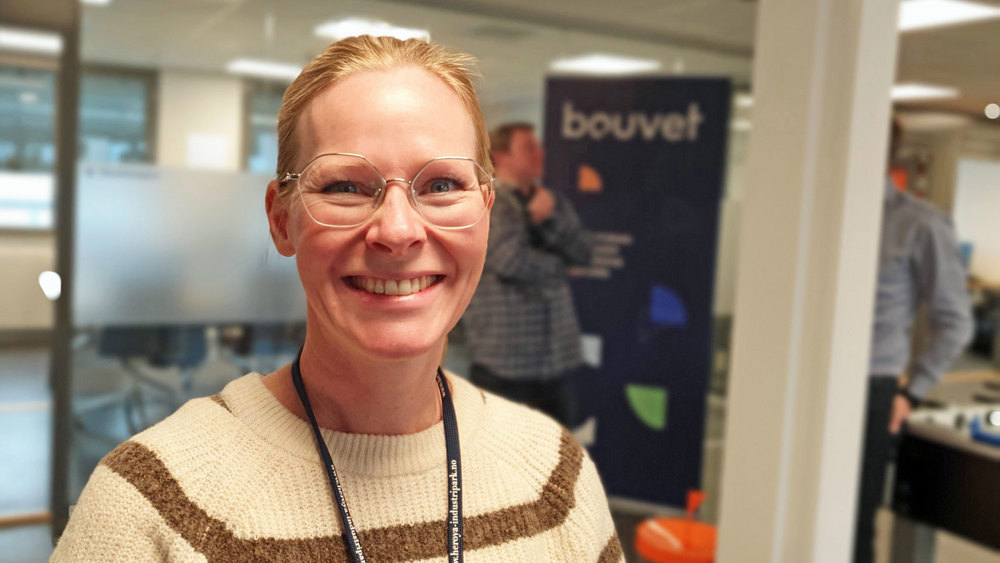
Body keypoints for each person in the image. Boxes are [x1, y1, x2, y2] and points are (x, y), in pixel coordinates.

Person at [52, 36, 623, 562]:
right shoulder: (152, 509)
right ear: (281, 220)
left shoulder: (555, 474)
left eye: (442, 185)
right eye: (345, 187)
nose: (398, 232)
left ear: (486, 211)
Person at [852, 120, 974, 563]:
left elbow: (955, 321)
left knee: (849, 527)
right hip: (810, 383)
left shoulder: (919, 223)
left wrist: (911, 393)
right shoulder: (822, 213)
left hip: (871, 391)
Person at [461, 123, 592, 429]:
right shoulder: (485, 202)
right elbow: (510, 260)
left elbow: (584, 253)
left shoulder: (552, 201)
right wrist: (562, 268)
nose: (539, 153)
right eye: (529, 147)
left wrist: (548, 219)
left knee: (560, 461)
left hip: (556, 358)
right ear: (503, 156)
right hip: (505, 361)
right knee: (499, 459)